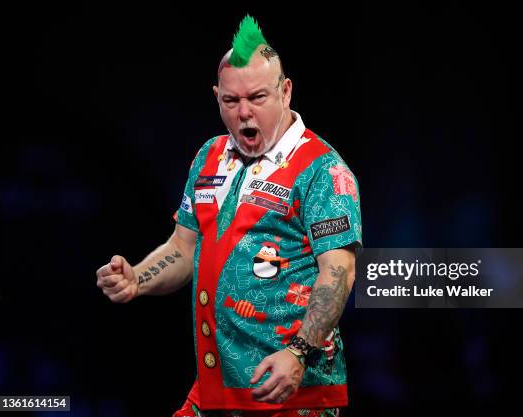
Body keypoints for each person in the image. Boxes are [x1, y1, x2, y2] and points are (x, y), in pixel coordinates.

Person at [96, 15, 362, 417]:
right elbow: (183, 247)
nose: (244, 114)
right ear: (216, 96)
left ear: (285, 91)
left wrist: (299, 351)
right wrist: (139, 277)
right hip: (213, 393)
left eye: (257, 98)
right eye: (231, 101)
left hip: (293, 396)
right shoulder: (208, 158)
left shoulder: (323, 170)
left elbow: (338, 272)